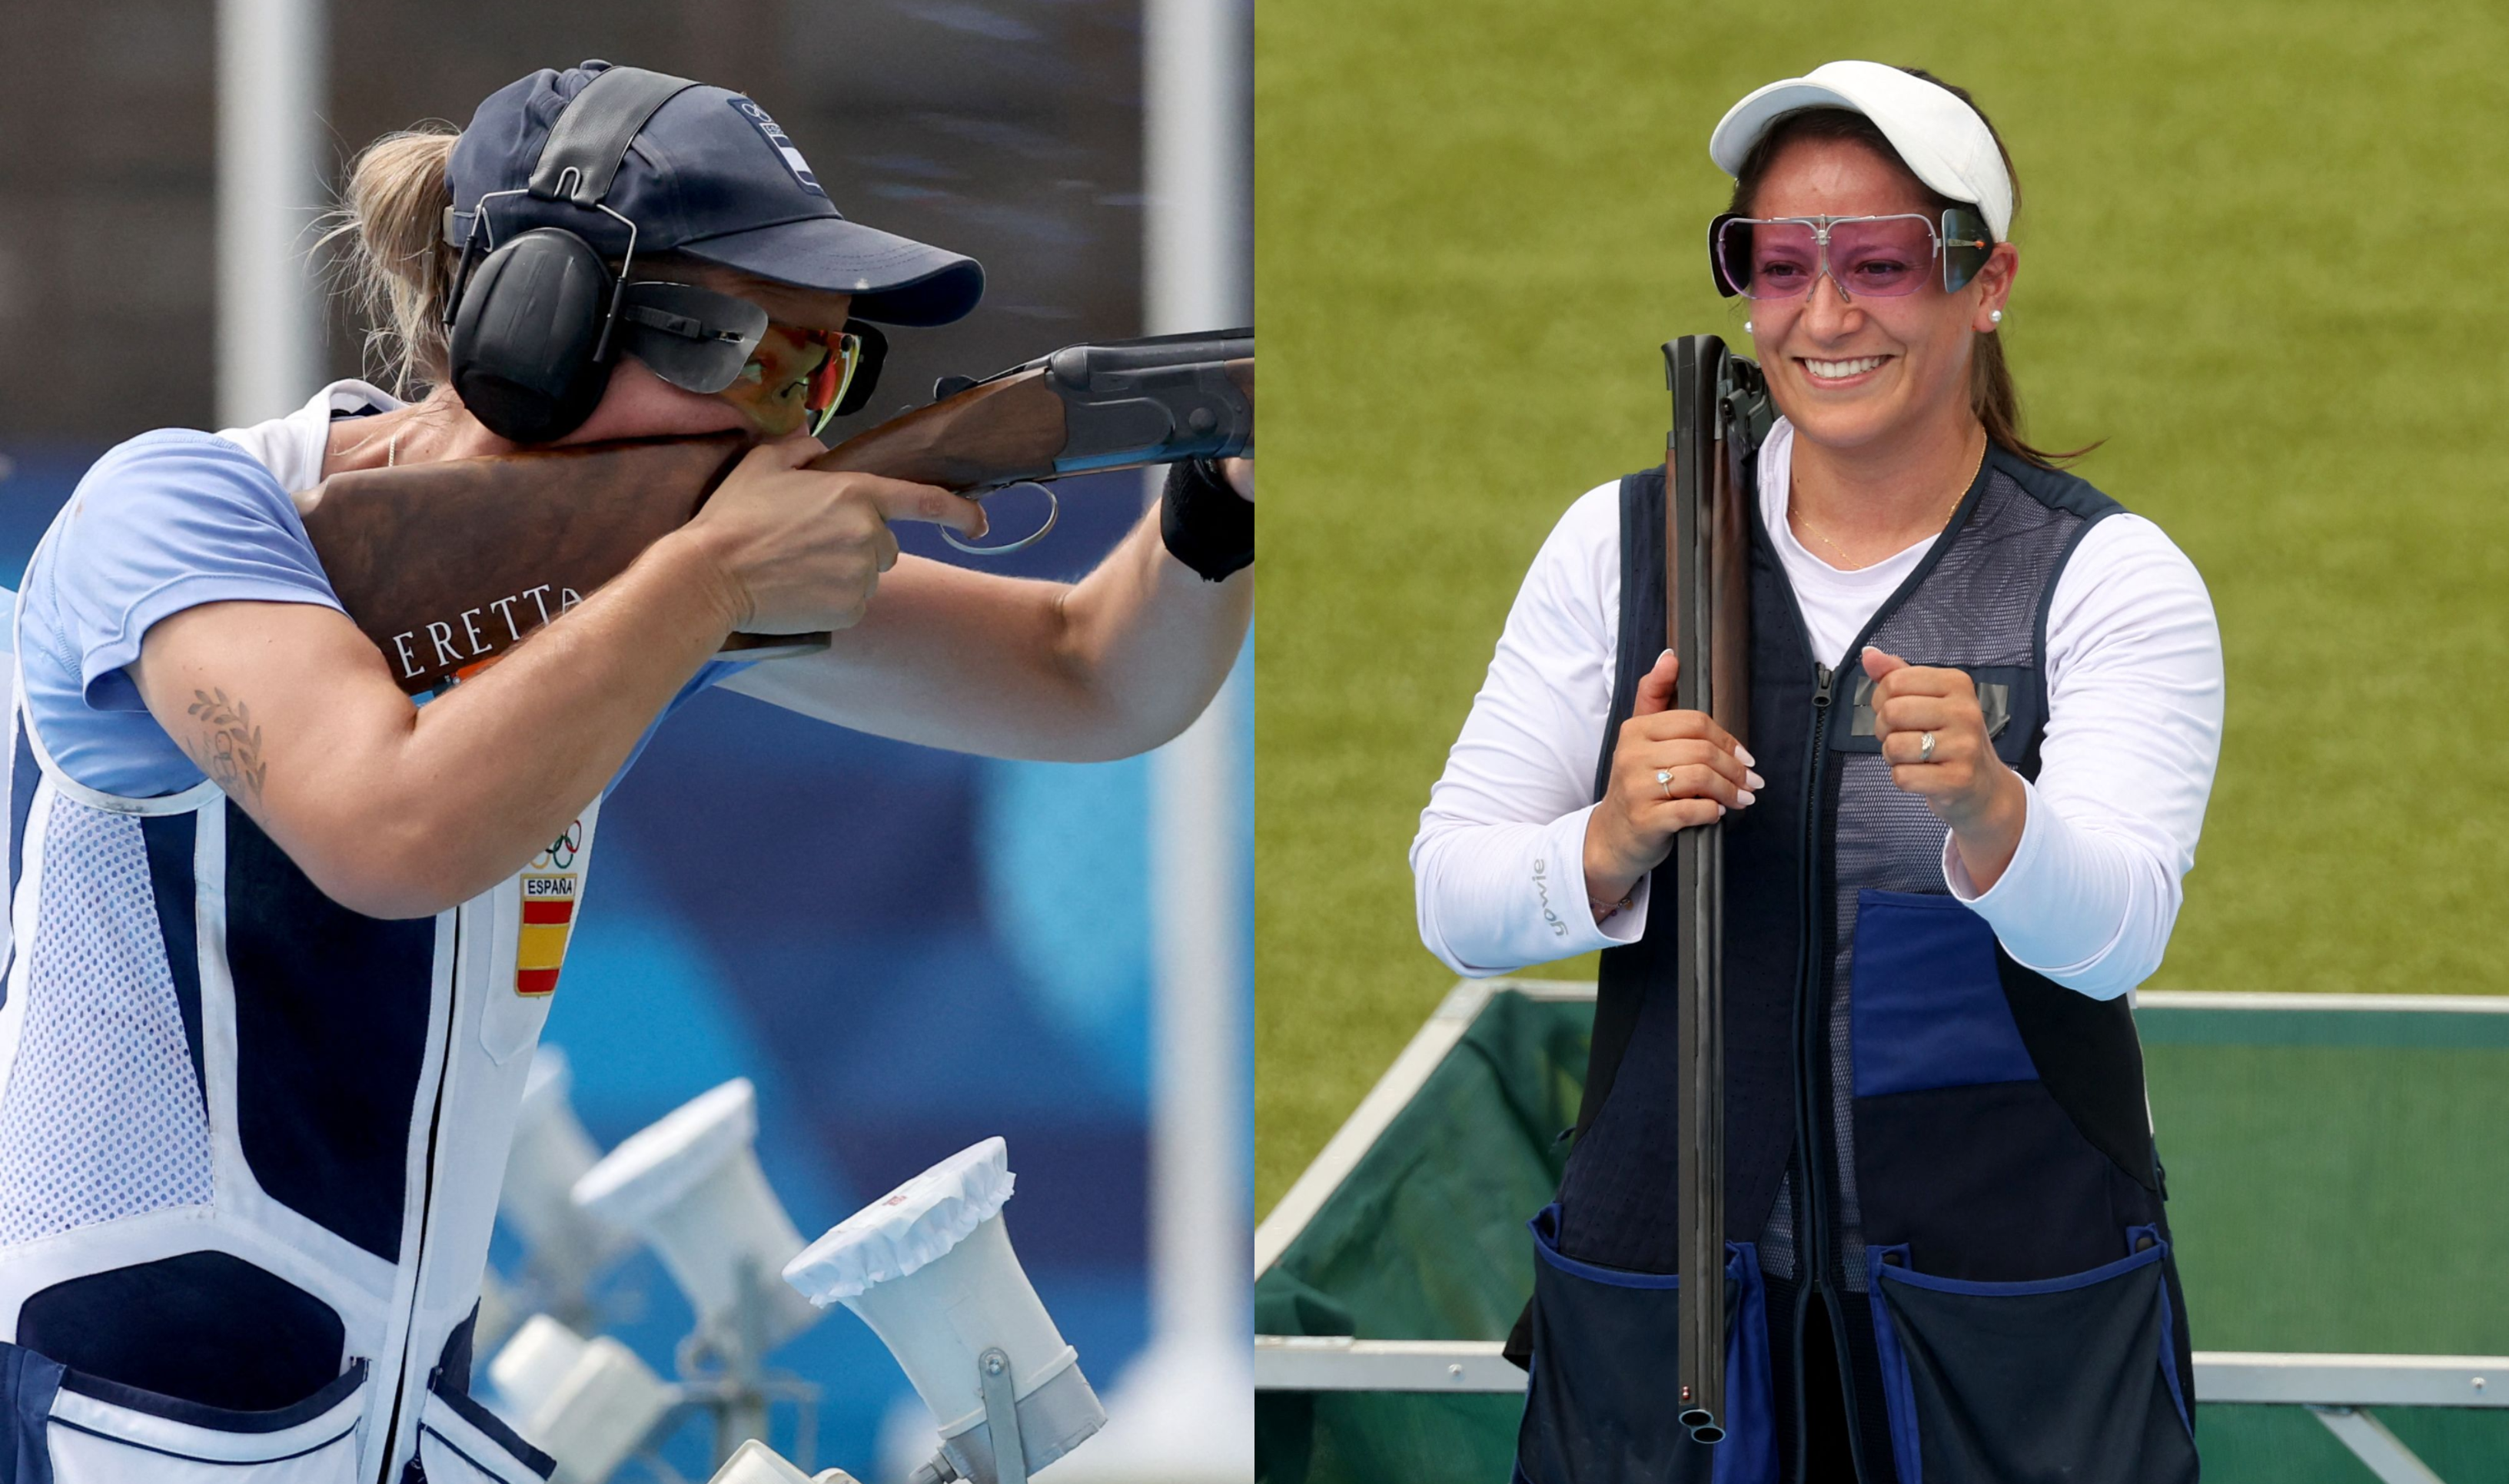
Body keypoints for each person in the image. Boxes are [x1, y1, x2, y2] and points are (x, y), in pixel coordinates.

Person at [0, 61, 1251, 1481]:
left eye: (825, 370)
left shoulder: (642, 589)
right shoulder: (180, 510)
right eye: (752, 355)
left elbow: (1089, 673)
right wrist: (703, 582)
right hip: (110, 1428)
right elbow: (387, 827)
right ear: (537, 320)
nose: (790, 425)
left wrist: (1217, 500)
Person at [1411, 61, 2221, 1484]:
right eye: (1779, 264)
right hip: (1674, 1321)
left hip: (2009, 1330)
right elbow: (1454, 897)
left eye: (1883, 264)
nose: (1826, 314)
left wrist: (1991, 809)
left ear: (1988, 281)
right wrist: (1606, 840)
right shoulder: (1620, 545)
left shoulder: (2109, 576)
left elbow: (2121, 934)